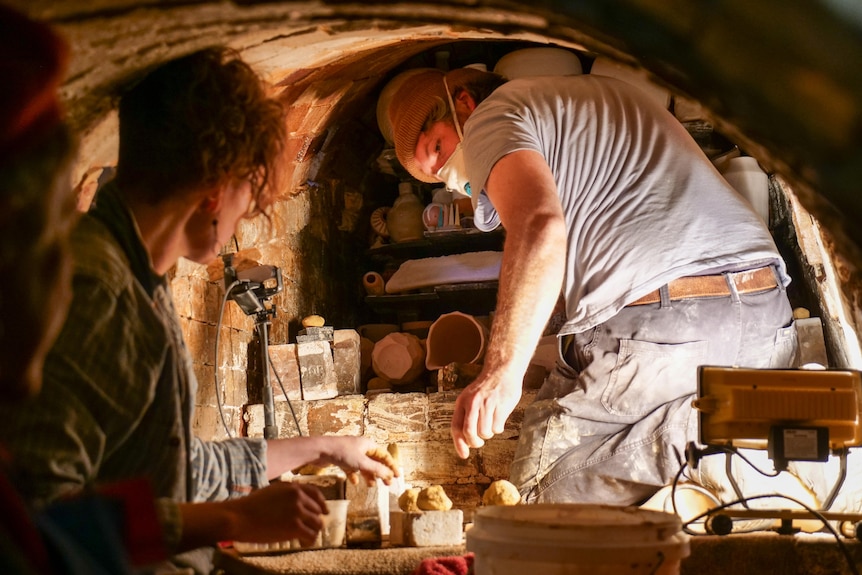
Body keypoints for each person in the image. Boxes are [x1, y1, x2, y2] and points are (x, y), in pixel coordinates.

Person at [0, 43, 398, 574]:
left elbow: (179, 469)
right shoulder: (96, 290)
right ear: (216, 191)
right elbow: (38, 517)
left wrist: (324, 447)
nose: (245, 219)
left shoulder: (144, 281)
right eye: (247, 199)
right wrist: (229, 521)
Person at [387, 66, 797, 507]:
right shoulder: (585, 99)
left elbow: (541, 229)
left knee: (540, 493)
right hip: (765, 319)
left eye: (438, 148)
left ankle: (714, 439)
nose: (450, 176)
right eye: (435, 176)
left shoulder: (491, 116)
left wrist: (502, 373)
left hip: (674, 326)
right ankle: (732, 433)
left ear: (463, 102)